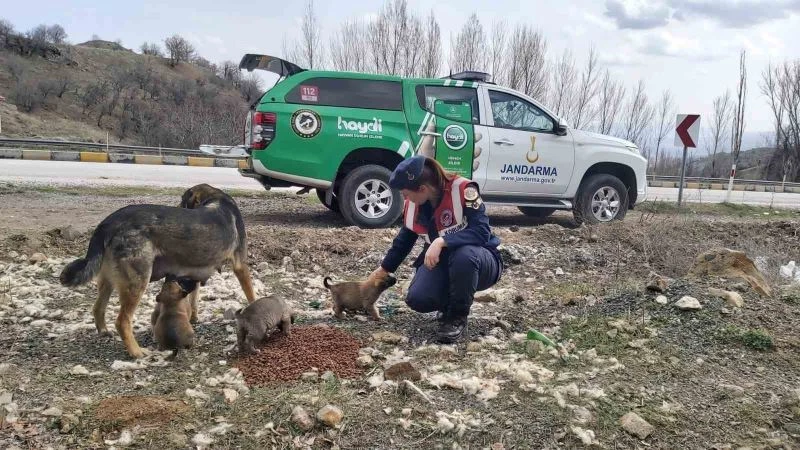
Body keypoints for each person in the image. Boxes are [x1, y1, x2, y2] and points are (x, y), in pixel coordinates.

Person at [369, 155, 504, 343]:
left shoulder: (464, 190)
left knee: (464, 256)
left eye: (406, 193)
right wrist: (384, 269)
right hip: (445, 262)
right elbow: (404, 240)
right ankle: (448, 303)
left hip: (481, 261)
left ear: (422, 189)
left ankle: (457, 317)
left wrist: (442, 241)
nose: (404, 197)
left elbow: (481, 232)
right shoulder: (415, 204)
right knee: (418, 298)